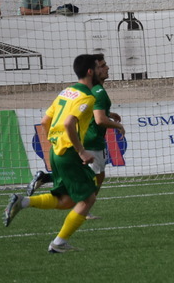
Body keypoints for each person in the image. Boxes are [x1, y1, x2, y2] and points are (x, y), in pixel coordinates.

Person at [3, 54, 103, 252]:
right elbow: (68, 123)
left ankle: (23, 201)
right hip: (69, 153)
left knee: (67, 201)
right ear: (90, 72)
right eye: (99, 67)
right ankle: (58, 244)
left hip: (57, 152)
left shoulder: (66, 92)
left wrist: (53, 142)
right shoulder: (87, 97)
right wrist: (81, 151)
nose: (102, 70)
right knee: (88, 199)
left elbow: (44, 122)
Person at [27, 55, 125, 215]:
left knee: (92, 174)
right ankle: (83, 209)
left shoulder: (90, 91)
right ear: (92, 71)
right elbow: (99, 120)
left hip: (85, 140)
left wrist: (109, 113)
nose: (106, 68)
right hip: (91, 141)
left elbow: (95, 113)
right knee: (93, 177)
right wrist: (118, 125)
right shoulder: (98, 91)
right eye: (102, 66)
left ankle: (46, 178)